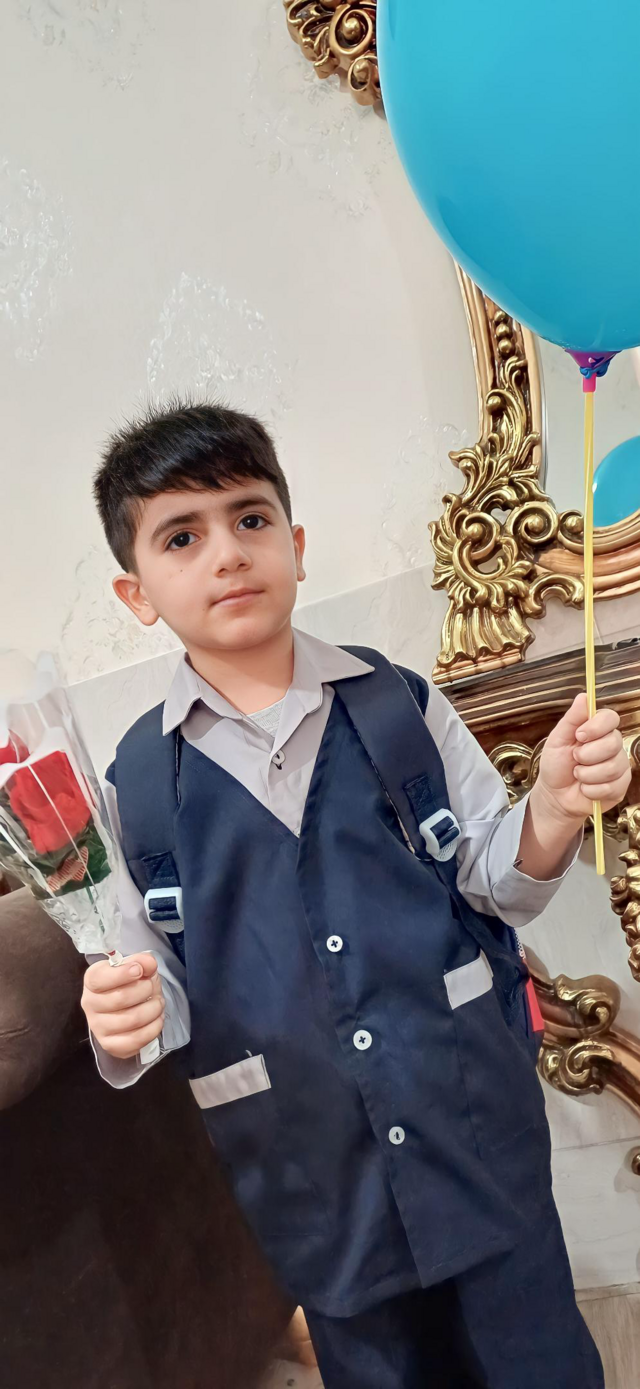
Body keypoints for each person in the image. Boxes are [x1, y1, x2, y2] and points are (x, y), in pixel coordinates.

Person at [81, 401, 630, 1388]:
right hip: (314, 1183)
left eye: (251, 519)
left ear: (296, 546)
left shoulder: (398, 705)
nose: (227, 553)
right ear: (137, 593)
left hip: (474, 1137)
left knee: (535, 1358)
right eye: (181, 536)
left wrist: (551, 806)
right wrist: (123, 1016)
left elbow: (492, 877)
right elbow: (154, 982)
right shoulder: (138, 787)